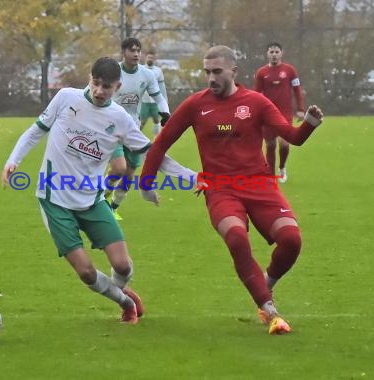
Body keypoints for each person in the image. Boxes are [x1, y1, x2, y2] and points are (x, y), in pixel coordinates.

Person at [139, 45, 324, 335]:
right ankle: (270, 310)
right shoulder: (195, 104)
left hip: (260, 184)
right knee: (237, 237)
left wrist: (310, 124)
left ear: (234, 72)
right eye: (207, 72)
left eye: (217, 72)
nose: (210, 78)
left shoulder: (256, 102)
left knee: (291, 240)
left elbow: (293, 137)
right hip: (220, 189)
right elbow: (160, 143)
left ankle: (266, 283)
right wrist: (145, 184)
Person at [1, 57, 193, 324]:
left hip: (92, 200)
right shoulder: (65, 98)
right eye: (96, 83)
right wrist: (13, 160)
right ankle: (125, 302)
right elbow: (35, 131)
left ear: (118, 87)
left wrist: (191, 177)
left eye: (107, 86)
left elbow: (153, 153)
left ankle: (120, 288)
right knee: (87, 273)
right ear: (89, 79)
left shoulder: (120, 119)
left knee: (123, 266)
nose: (99, 91)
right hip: (54, 199)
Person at [105, 37, 171, 221]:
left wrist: (165, 112)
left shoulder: (147, 75)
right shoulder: (113, 72)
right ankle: (99, 200)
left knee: (128, 174)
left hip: (132, 129)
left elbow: (159, 97)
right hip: (111, 128)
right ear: (123, 52)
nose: (136, 54)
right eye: (132, 50)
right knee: (119, 169)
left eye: (138, 50)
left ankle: (111, 208)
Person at [254, 42, 305, 183]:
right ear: (267, 54)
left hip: (284, 113)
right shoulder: (261, 73)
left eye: (277, 52)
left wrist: (300, 109)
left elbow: (297, 90)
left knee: (284, 143)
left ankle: (282, 168)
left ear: (281, 53)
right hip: (267, 113)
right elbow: (256, 94)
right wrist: (255, 112)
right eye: (271, 52)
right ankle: (271, 176)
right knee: (270, 145)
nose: (274, 54)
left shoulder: (290, 70)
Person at [140, 50, 168, 136]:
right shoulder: (141, 68)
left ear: (154, 59)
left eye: (152, 58)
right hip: (144, 101)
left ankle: (157, 142)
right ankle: (134, 139)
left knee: (156, 120)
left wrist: (165, 101)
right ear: (145, 58)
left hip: (155, 101)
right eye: (149, 57)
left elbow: (162, 87)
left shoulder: (158, 71)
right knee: (142, 122)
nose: (150, 59)